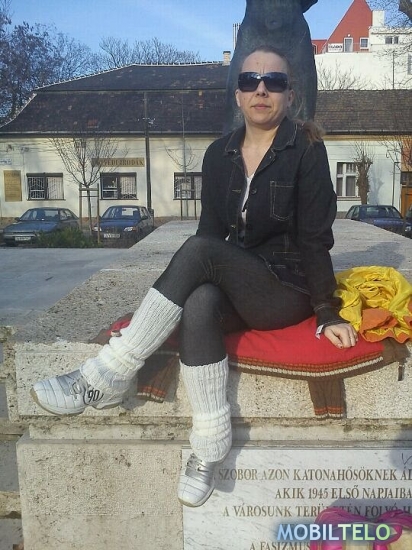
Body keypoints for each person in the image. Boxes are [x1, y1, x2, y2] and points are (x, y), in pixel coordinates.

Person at [31, 46, 358, 508]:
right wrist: (182, 291)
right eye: (249, 80)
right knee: (201, 300)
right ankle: (208, 447)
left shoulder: (305, 150)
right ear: (238, 94)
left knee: (201, 252)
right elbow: (210, 233)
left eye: (274, 82)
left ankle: (108, 373)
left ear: (290, 95)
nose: (261, 89)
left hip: (286, 289)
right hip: (236, 281)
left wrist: (327, 310)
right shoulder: (219, 154)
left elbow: (315, 239)